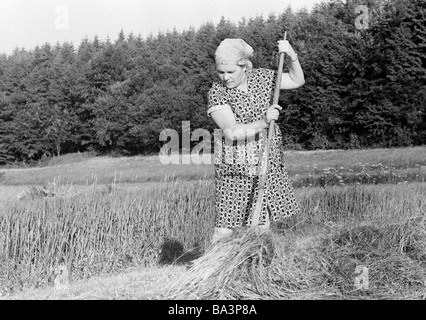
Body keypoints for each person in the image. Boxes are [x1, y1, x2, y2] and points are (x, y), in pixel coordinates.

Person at [207, 38, 305, 243]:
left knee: (261, 221)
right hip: (235, 166)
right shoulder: (217, 92)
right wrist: (263, 121)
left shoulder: (262, 77)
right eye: (220, 72)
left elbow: (297, 80)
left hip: (267, 158)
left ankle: (255, 267)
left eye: (230, 72)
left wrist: (292, 55)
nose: (225, 77)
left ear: (244, 67)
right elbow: (232, 132)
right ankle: (215, 269)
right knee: (226, 225)